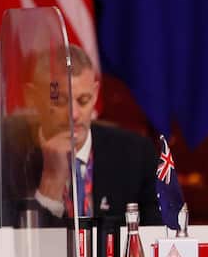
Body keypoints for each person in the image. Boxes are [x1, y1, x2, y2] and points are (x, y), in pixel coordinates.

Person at [19, 44, 162, 225]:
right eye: (60, 101)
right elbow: (16, 241)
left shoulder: (138, 154)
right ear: (32, 97)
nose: (74, 115)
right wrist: (51, 182)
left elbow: (158, 234)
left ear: (95, 94)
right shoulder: (3, 162)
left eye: (83, 100)